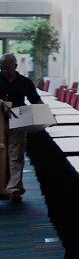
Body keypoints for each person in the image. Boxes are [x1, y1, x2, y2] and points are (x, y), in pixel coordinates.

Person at [0, 53, 43, 203]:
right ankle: (2, 186)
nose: (3, 71)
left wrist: (45, 116)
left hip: (19, 120)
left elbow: (36, 100)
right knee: (2, 155)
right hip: (0, 122)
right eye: (2, 68)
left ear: (15, 66)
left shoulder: (25, 82)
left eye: (7, 68)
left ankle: (15, 189)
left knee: (16, 155)